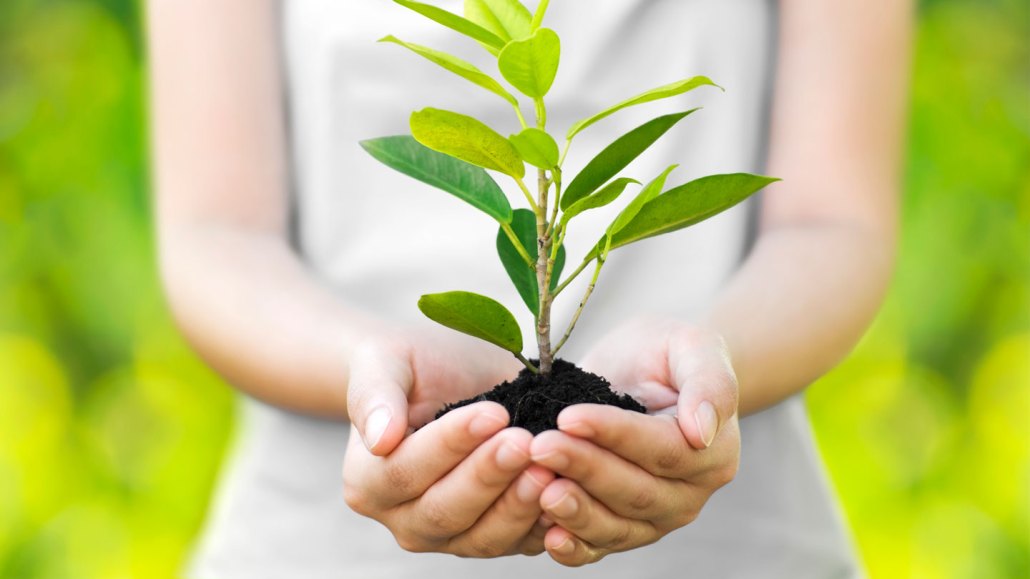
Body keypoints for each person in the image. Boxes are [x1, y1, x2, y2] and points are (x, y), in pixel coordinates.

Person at [147, 0, 912, 576]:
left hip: (737, 539)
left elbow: (831, 221)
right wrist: (370, 373)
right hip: (317, 542)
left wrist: (711, 372)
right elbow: (217, 232)